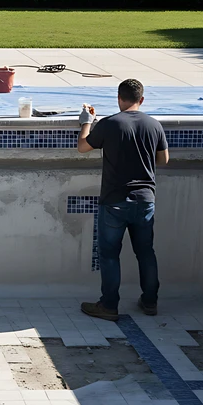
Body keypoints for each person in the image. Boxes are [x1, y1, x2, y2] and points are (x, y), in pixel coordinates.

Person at [77, 79, 170, 322]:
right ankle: (150, 302)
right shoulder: (154, 125)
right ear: (141, 100)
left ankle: (109, 306)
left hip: (115, 201)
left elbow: (83, 147)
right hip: (145, 201)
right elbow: (163, 160)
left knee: (109, 255)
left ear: (119, 98)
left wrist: (86, 123)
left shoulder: (109, 124)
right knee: (145, 252)